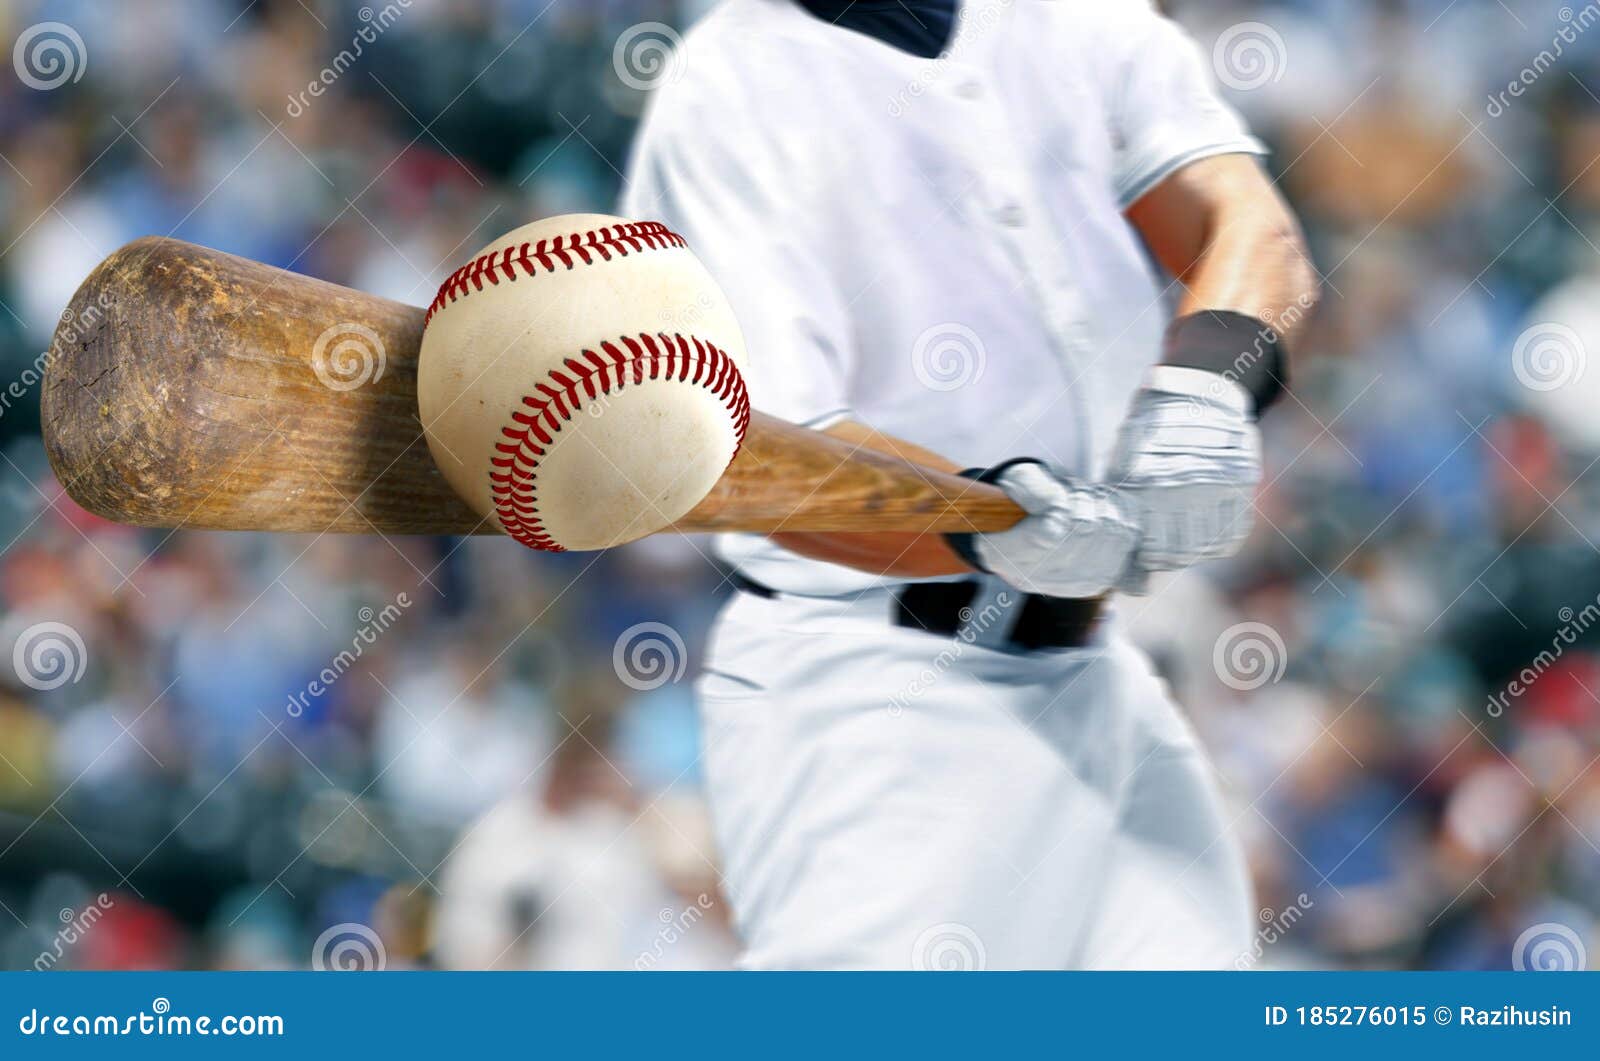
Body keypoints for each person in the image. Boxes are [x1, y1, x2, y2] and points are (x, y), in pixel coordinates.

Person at [621, 0, 1318, 968]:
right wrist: (981, 519)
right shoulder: (730, 84)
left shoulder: (1078, 24)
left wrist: (1207, 382)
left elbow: (1249, 230)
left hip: (1097, 668)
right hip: (878, 691)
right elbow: (759, 458)